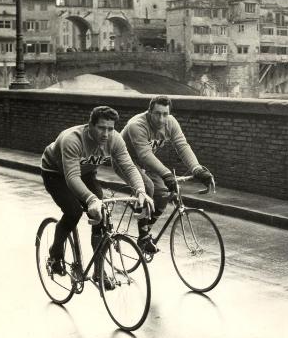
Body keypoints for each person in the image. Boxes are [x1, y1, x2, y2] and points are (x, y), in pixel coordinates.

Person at [41, 106, 152, 289]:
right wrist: (91, 199)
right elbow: (72, 177)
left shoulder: (114, 139)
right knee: (73, 212)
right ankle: (55, 254)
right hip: (55, 173)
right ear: (90, 125)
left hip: (86, 174)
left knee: (102, 216)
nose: (106, 133)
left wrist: (140, 190)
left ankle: (99, 272)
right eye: (101, 128)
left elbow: (129, 167)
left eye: (110, 128)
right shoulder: (73, 139)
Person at [117, 95, 214, 254]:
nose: (162, 119)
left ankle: (145, 228)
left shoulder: (171, 123)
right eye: (157, 114)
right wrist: (167, 174)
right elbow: (145, 155)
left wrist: (197, 169)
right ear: (149, 112)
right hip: (124, 159)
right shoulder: (137, 125)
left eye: (165, 114)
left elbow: (182, 146)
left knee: (163, 195)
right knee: (147, 187)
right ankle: (143, 237)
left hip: (144, 163)